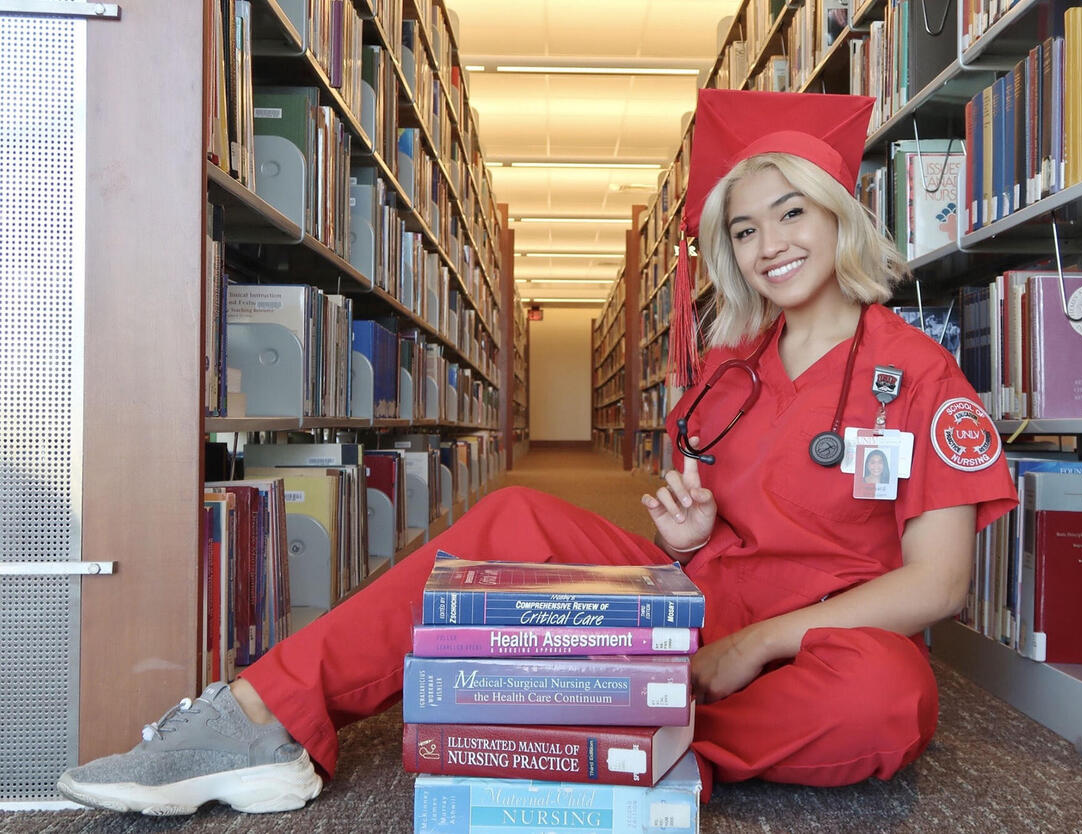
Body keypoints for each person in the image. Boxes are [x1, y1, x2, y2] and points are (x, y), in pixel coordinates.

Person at [57, 90, 1017, 816]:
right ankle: (260, 719)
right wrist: (689, 542)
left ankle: (590, 730)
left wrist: (751, 647)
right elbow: (718, 538)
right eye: (743, 227)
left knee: (889, 702)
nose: (769, 243)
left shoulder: (921, 374)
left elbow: (936, 584)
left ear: (839, 213)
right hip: (693, 611)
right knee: (512, 516)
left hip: (815, 643)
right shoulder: (731, 369)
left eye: (791, 213)